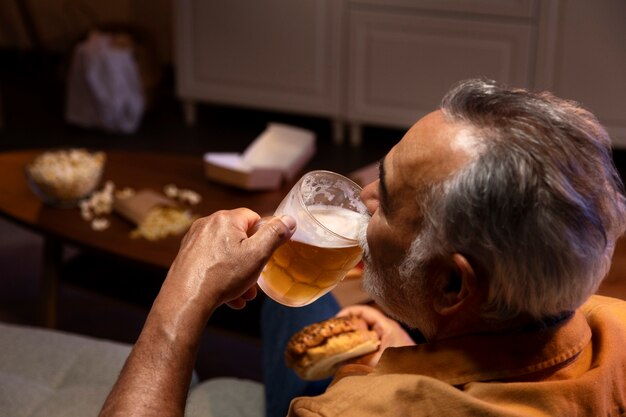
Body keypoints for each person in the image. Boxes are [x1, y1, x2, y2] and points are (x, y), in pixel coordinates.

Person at [99, 79, 626, 416]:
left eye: (389, 199)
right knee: (298, 312)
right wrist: (416, 354)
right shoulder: (617, 330)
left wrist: (181, 300)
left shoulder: (347, 413)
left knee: (286, 310)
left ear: (450, 284)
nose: (364, 199)